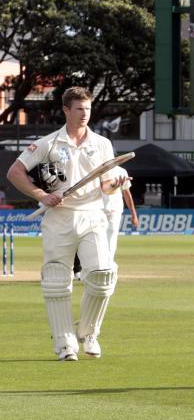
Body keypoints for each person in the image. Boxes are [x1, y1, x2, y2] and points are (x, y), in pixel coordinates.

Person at [6, 87, 126, 361]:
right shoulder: (48, 143)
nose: (85, 114)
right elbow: (15, 172)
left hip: (93, 214)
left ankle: (89, 332)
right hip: (59, 218)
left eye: (88, 109)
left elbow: (105, 185)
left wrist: (114, 184)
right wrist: (41, 195)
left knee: (103, 276)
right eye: (79, 109)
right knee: (57, 281)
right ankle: (64, 343)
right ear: (66, 110)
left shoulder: (102, 144)